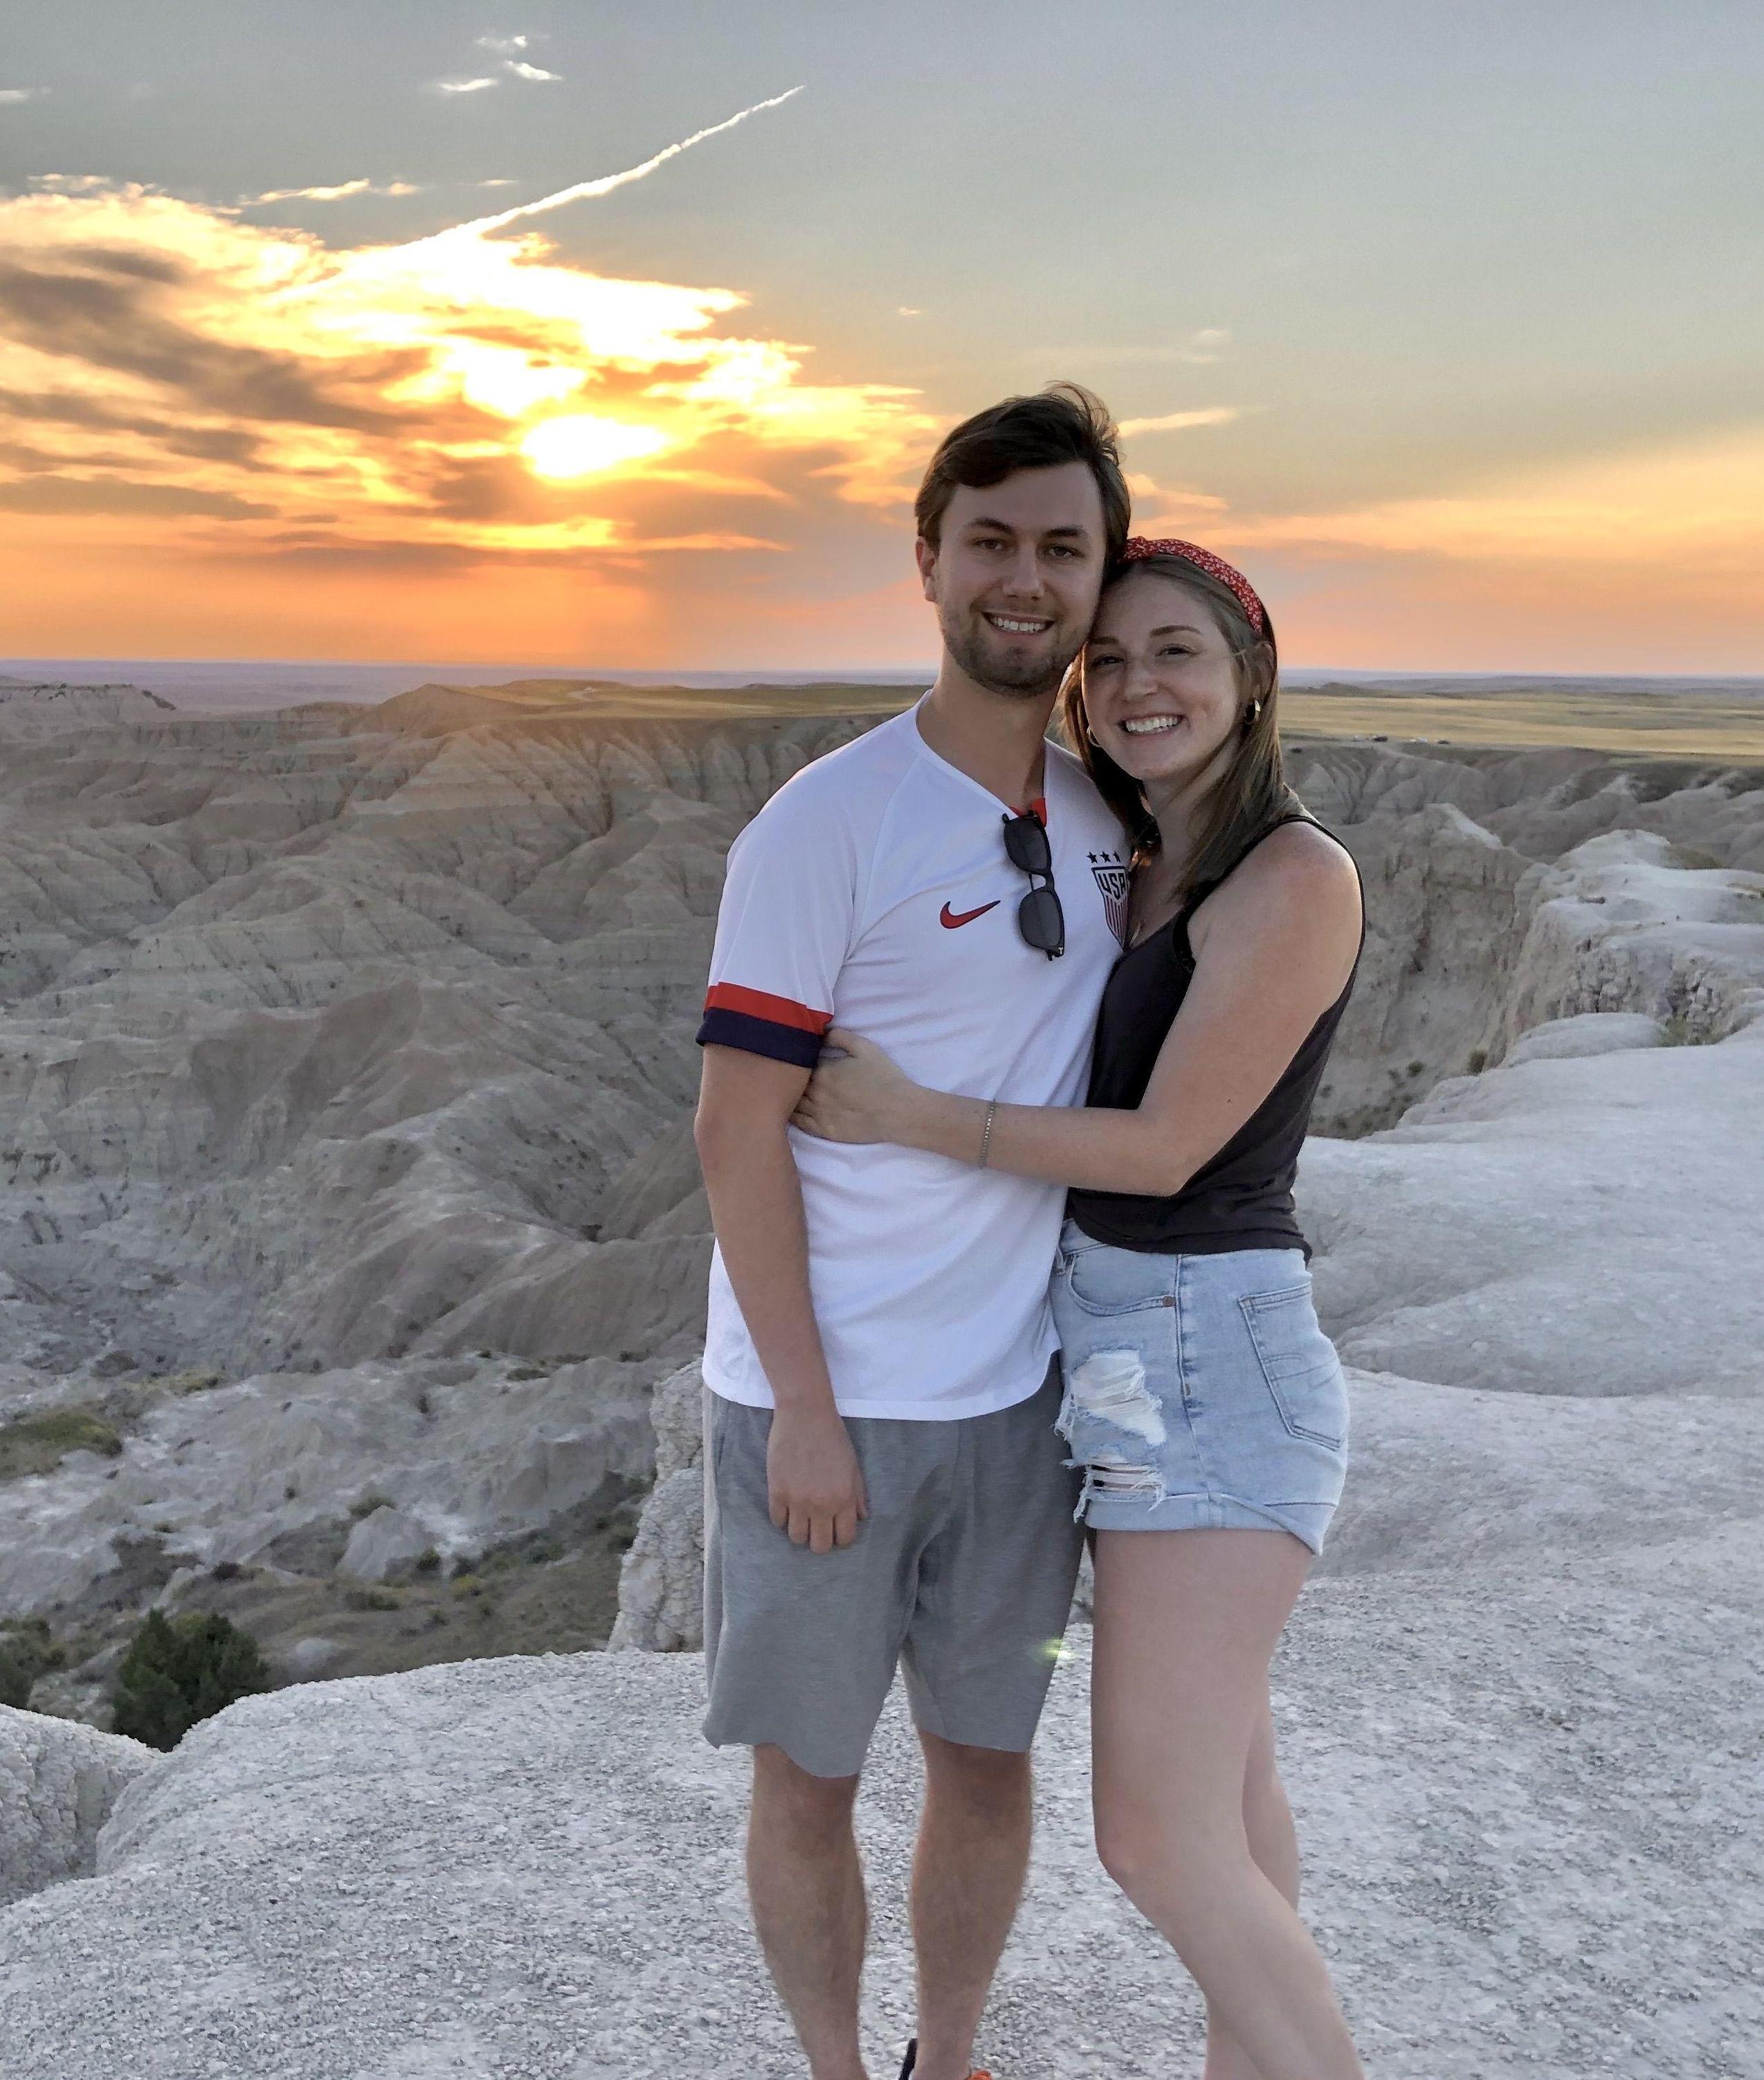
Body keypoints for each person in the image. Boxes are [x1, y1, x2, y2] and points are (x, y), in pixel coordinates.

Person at [795, 538, 1369, 2079]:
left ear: (1250, 674)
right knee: (1235, 1816)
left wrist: (912, 1112)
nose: (1133, 685)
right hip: (1133, 1360)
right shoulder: (1142, 853)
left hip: (1207, 1361)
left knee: (1156, 1840)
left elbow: (1166, 1145)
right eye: (1105, 660)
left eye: (1175, 651)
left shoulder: (1291, 876)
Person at [691, 384, 1133, 2080]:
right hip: (829, 1411)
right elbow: (736, 1129)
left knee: (987, 1755)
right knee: (806, 1775)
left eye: (1061, 548)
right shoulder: (827, 821)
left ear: (1097, 577)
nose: (1023, 578)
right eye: (991, 542)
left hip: (1017, 1417)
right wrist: (800, 1403)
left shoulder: (1111, 826)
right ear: (930, 563)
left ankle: (946, 2058)